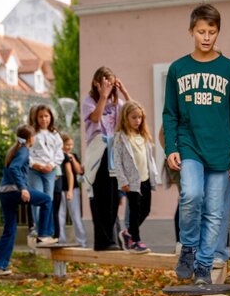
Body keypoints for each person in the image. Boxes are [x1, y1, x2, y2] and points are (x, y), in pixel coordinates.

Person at [163, 4, 230, 286]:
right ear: (191, 31)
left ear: (217, 32)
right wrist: (171, 148)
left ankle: (203, 266)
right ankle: (188, 247)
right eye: (201, 32)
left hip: (220, 151)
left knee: (214, 211)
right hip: (190, 147)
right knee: (191, 195)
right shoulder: (178, 68)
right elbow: (169, 113)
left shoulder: (229, 70)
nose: (206, 37)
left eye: (211, 32)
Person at [0, 124, 56, 276]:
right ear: (31, 138)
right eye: (34, 136)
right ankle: (44, 235)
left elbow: (12, 168)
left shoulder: (15, 150)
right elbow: (14, 169)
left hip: (5, 193)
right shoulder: (24, 150)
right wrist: (23, 188)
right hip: (15, 190)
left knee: (9, 230)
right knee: (46, 200)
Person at [82, 66, 130, 250]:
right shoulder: (90, 101)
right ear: (97, 83)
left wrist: (124, 91)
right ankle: (102, 241)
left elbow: (133, 110)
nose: (109, 87)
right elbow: (94, 118)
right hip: (99, 151)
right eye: (106, 83)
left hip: (114, 151)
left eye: (111, 84)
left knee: (113, 197)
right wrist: (103, 96)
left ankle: (109, 239)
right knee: (101, 196)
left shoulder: (116, 103)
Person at [114, 100, 159, 254]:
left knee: (145, 209)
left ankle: (128, 233)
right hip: (132, 182)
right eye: (134, 117)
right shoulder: (121, 138)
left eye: (139, 117)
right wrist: (123, 181)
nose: (137, 121)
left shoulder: (143, 135)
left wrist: (154, 176)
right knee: (134, 210)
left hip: (145, 179)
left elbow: (148, 159)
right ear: (126, 118)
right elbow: (117, 162)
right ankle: (136, 241)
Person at [28, 104, 63, 240]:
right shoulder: (32, 133)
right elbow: (26, 151)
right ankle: (37, 228)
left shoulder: (55, 134)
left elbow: (59, 153)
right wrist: (34, 164)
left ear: (51, 117)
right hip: (35, 170)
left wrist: (52, 164)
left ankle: (46, 232)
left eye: (46, 116)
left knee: (48, 200)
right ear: (36, 118)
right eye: (41, 117)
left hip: (50, 170)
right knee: (37, 198)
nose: (44, 119)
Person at [59, 133, 86, 247]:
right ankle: (61, 241)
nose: (69, 147)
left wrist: (73, 159)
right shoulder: (57, 156)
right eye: (67, 145)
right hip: (59, 189)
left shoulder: (73, 155)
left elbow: (79, 171)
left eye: (71, 144)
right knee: (60, 216)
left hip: (73, 189)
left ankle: (82, 242)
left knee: (76, 216)